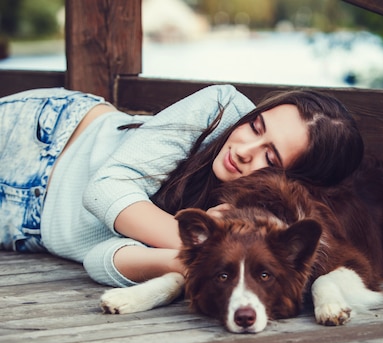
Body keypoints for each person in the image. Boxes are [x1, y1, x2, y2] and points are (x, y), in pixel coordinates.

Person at [0, 84, 364, 287]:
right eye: (255, 127)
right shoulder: (219, 109)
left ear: (291, 181)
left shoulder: (254, 221)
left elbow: (98, 259)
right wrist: (211, 248)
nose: (243, 151)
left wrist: (198, 262)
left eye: (271, 159)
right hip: (41, 140)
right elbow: (104, 189)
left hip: (21, 229)